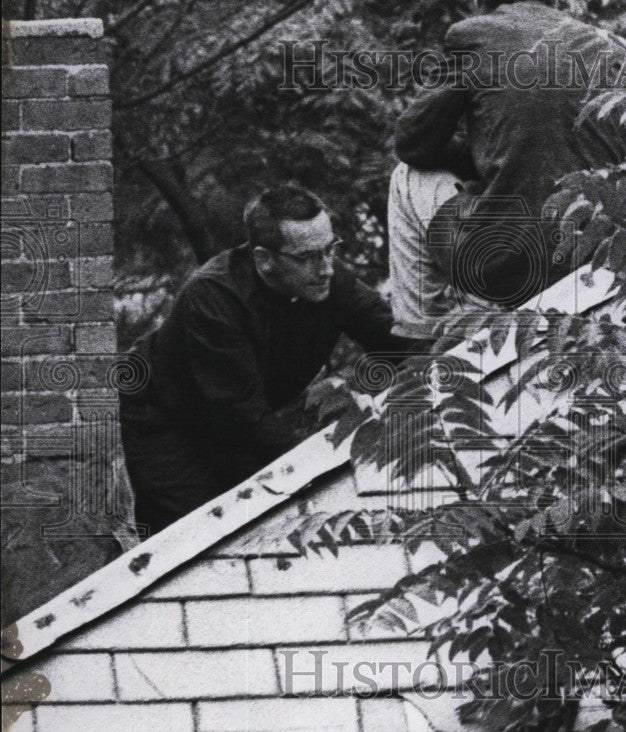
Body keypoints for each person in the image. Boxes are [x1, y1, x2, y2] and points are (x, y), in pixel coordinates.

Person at [120, 187, 411, 537]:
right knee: (199, 539)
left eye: (330, 250)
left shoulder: (331, 280)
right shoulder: (214, 297)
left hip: (234, 420)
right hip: (164, 422)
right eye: (307, 257)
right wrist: (324, 473)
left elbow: (398, 340)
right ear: (264, 260)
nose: (326, 269)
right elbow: (245, 420)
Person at [392, 0, 626, 320]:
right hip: (615, 251)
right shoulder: (608, 45)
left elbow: (411, 143)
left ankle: (419, 336)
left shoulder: (474, 38)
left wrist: (474, 153)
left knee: (407, 176)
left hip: (517, 265)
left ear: (477, 2)